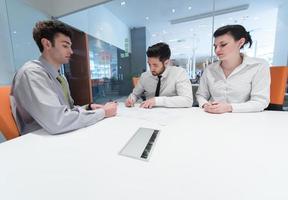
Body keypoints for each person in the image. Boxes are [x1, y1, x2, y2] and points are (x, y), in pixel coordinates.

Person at [10, 20, 117, 135]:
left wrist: (88, 107)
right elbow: (58, 121)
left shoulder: (60, 77)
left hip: (60, 135)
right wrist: (103, 112)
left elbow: (67, 110)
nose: (71, 51)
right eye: (65, 45)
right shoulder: (32, 74)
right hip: (40, 141)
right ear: (47, 44)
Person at [196, 24, 270, 114]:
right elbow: (201, 95)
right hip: (213, 117)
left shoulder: (258, 66)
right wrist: (205, 104)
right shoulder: (210, 69)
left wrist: (229, 107)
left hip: (244, 119)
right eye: (215, 46)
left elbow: (260, 102)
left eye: (223, 45)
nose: (217, 50)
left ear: (240, 42)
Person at [125, 42, 193, 109]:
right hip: (148, 115)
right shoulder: (144, 76)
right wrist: (131, 99)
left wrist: (157, 101)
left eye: (155, 65)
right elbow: (135, 94)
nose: (151, 69)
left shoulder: (179, 73)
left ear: (166, 63)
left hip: (172, 115)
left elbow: (188, 100)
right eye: (149, 64)